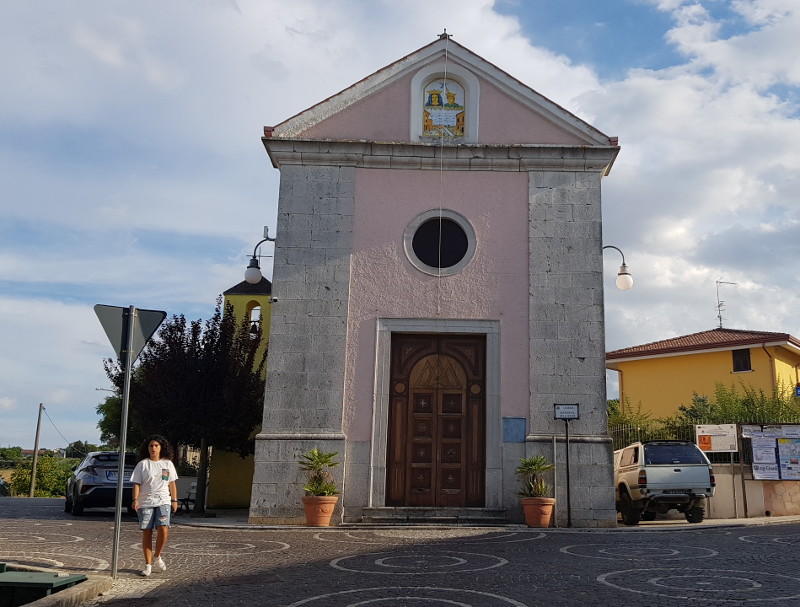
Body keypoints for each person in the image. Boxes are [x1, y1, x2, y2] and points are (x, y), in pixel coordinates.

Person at [130, 435, 179, 577]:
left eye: (156, 445)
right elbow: (137, 484)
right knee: (147, 531)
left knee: (163, 528)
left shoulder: (167, 464)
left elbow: (172, 483)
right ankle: (148, 565)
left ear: (161, 448)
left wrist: (174, 500)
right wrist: (135, 499)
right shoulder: (143, 464)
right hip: (146, 502)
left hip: (163, 500)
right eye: (151, 446)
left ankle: (157, 556)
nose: (153, 448)